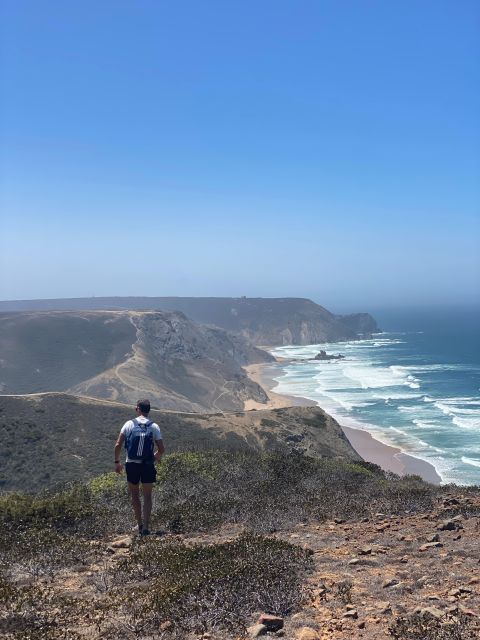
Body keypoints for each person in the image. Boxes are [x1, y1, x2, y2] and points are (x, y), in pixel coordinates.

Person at [114, 399, 165, 535]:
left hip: (131, 464)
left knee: (135, 494)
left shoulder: (129, 424)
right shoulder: (154, 426)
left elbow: (118, 445)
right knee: (147, 496)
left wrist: (117, 462)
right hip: (148, 465)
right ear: (148, 410)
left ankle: (139, 525)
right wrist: (155, 457)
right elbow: (161, 449)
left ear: (138, 409)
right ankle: (147, 527)